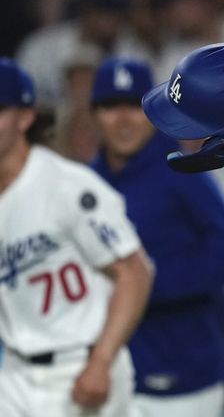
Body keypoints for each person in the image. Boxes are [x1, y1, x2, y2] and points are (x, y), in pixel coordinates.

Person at [88, 57, 224, 416]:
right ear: (93, 114)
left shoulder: (181, 168)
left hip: (184, 370)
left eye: (133, 105)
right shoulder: (85, 182)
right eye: (109, 106)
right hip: (112, 372)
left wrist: (144, 285)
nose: (122, 118)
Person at [0, 58, 154, 416]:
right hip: (15, 372)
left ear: (25, 118)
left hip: (80, 369)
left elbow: (135, 272)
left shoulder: (67, 186)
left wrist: (101, 361)